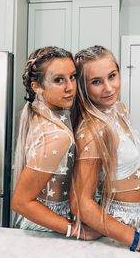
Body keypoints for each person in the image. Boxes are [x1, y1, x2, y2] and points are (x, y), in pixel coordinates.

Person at [70, 45, 140, 256]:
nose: (109, 88)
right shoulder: (93, 129)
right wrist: (139, 240)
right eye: (96, 82)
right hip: (120, 227)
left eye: (112, 76)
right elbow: (81, 204)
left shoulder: (118, 109)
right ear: (83, 87)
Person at [11, 46, 99, 240]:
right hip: (48, 228)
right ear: (37, 87)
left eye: (73, 77)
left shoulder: (36, 113)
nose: (70, 87)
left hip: (36, 224)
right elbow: (20, 202)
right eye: (59, 80)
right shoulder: (58, 136)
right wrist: (75, 230)